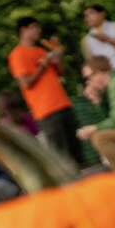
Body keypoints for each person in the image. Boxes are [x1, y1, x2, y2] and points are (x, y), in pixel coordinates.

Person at [8, 17, 83, 165]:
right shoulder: (17, 54)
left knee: (77, 152)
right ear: (23, 30)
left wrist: (58, 57)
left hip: (63, 104)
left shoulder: (41, 50)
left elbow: (60, 72)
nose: (38, 30)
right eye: (34, 27)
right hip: (46, 112)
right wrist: (42, 66)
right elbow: (25, 83)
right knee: (63, 158)